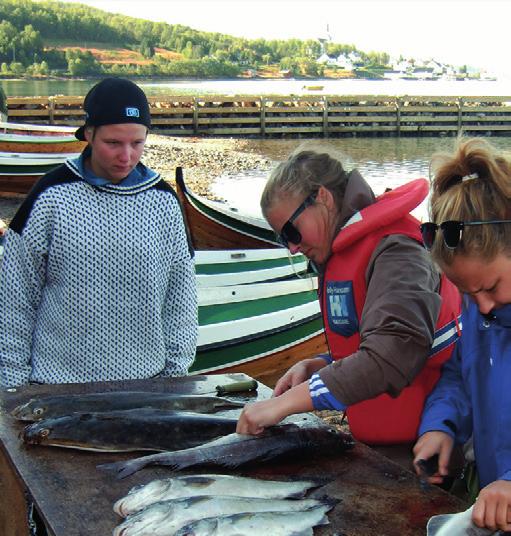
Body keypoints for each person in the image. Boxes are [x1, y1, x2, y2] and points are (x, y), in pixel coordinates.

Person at [237, 143, 461, 445]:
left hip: (429, 443)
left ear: (323, 198)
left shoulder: (398, 251)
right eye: (283, 240)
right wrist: (321, 364)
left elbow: (393, 351)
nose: (292, 247)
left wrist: (286, 404)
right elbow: (368, 339)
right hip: (383, 442)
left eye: (292, 231)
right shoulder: (343, 250)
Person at [0, 77, 198, 388]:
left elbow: (181, 295)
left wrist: (174, 375)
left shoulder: (163, 201)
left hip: (145, 387)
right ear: (89, 134)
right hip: (55, 388)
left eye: (137, 143)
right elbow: (14, 296)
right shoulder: (51, 195)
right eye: (113, 143)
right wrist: (14, 384)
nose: (127, 157)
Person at [412, 138, 511, 533]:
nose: (482, 306)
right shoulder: (482, 313)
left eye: (490, 287)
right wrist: (442, 425)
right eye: (468, 294)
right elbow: (460, 375)